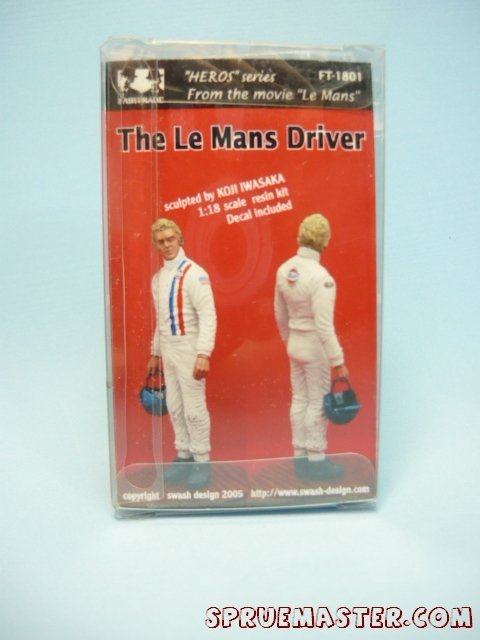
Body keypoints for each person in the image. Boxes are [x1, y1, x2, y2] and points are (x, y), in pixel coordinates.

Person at [274, 213, 349, 481]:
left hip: (294, 342)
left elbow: (279, 312)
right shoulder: (321, 277)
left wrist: (288, 339)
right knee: (317, 401)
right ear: (324, 241)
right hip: (315, 346)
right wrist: (338, 361)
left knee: (299, 399)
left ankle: (300, 457)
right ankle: (316, 459)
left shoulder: (284, 270)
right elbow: (324, 325)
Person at [147, 218, 217, 489]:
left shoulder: (194, 273)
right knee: (174, 405)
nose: (166, 245)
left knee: (194, 408)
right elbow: (161, 320)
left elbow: (208, 315)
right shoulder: (158, 279)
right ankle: (184, 454)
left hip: (189, 346)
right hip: (168, 347)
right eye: (161, 242)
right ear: (156, 245)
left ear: (179, 239)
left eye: (170, 239)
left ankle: (202, 460)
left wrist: (203, 353)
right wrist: (155, 352)